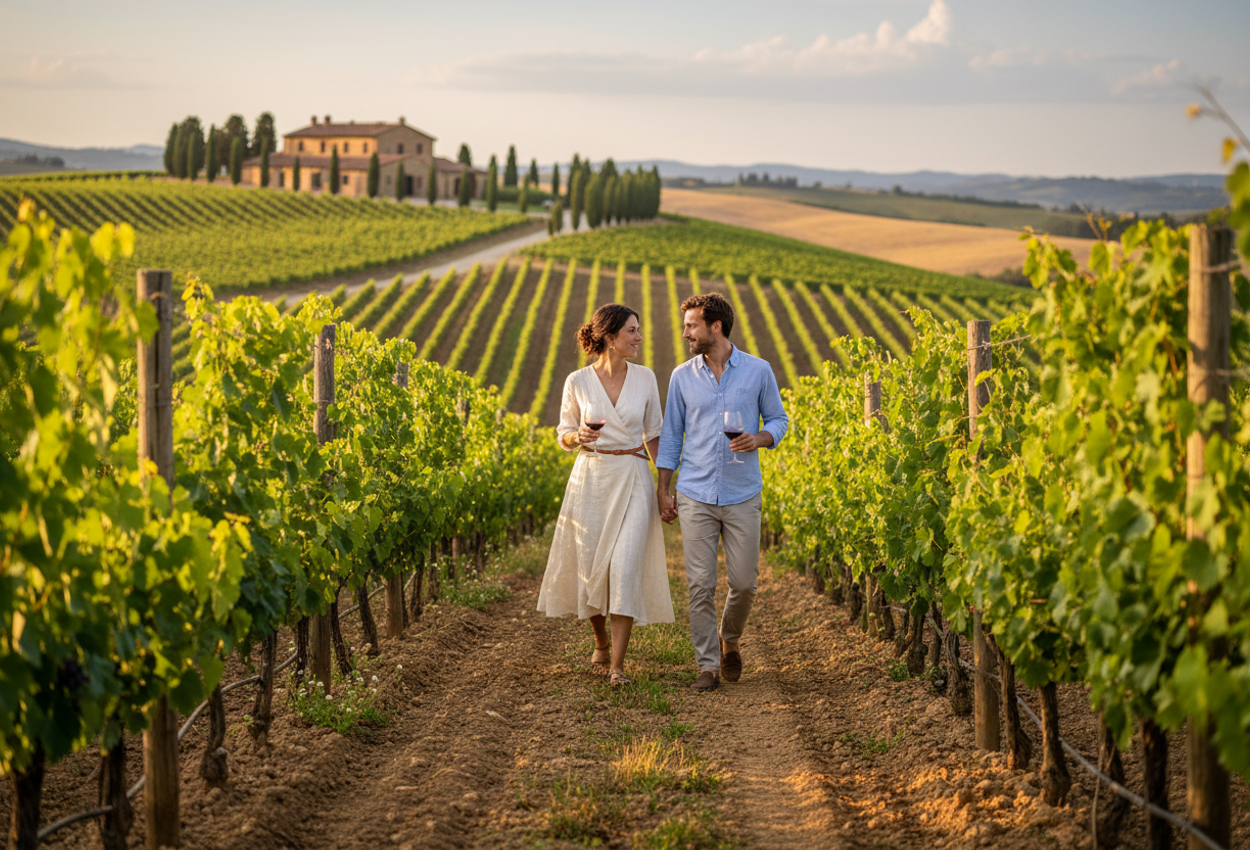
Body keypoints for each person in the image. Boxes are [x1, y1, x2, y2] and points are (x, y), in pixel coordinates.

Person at [656, 292, 788, 692]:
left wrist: (760, 438)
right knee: (699, 584)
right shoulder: (682, 376)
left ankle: (729, 638)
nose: (685, 334)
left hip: (742, 492)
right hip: (695, 492)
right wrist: (664, 489)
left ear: (716, 326)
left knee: (744, 582)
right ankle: (708, 666)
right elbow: (671, 438)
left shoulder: (758, 371)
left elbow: (779, 419)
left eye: (691, 326)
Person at [537, 303, 674, 687]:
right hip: (591, 477)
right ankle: (599, 640)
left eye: (638, 329)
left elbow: (654, 436)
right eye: (632, 331)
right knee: (591, 568)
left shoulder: (646, 378)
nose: (639, 337)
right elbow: (563, 432)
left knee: (625, 567)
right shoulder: (578, 381)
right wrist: (575, 437)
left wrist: (664, 489)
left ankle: (617, 666)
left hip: (632, 476)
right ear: (610, 338)